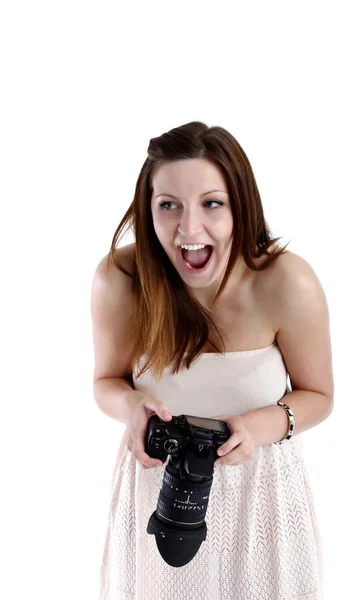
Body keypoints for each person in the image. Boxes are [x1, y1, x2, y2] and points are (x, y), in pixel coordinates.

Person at [90, 121, 334, 600]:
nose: (188, 229)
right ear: (148, 210)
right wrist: (131, 406)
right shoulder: (121, 278)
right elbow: (105, 381)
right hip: (157, 494)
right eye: (168, 206)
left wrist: (257, 427)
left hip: (261, 501)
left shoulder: (287, 281)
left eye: (211, 203)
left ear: (240, 205)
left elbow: (320, 395)